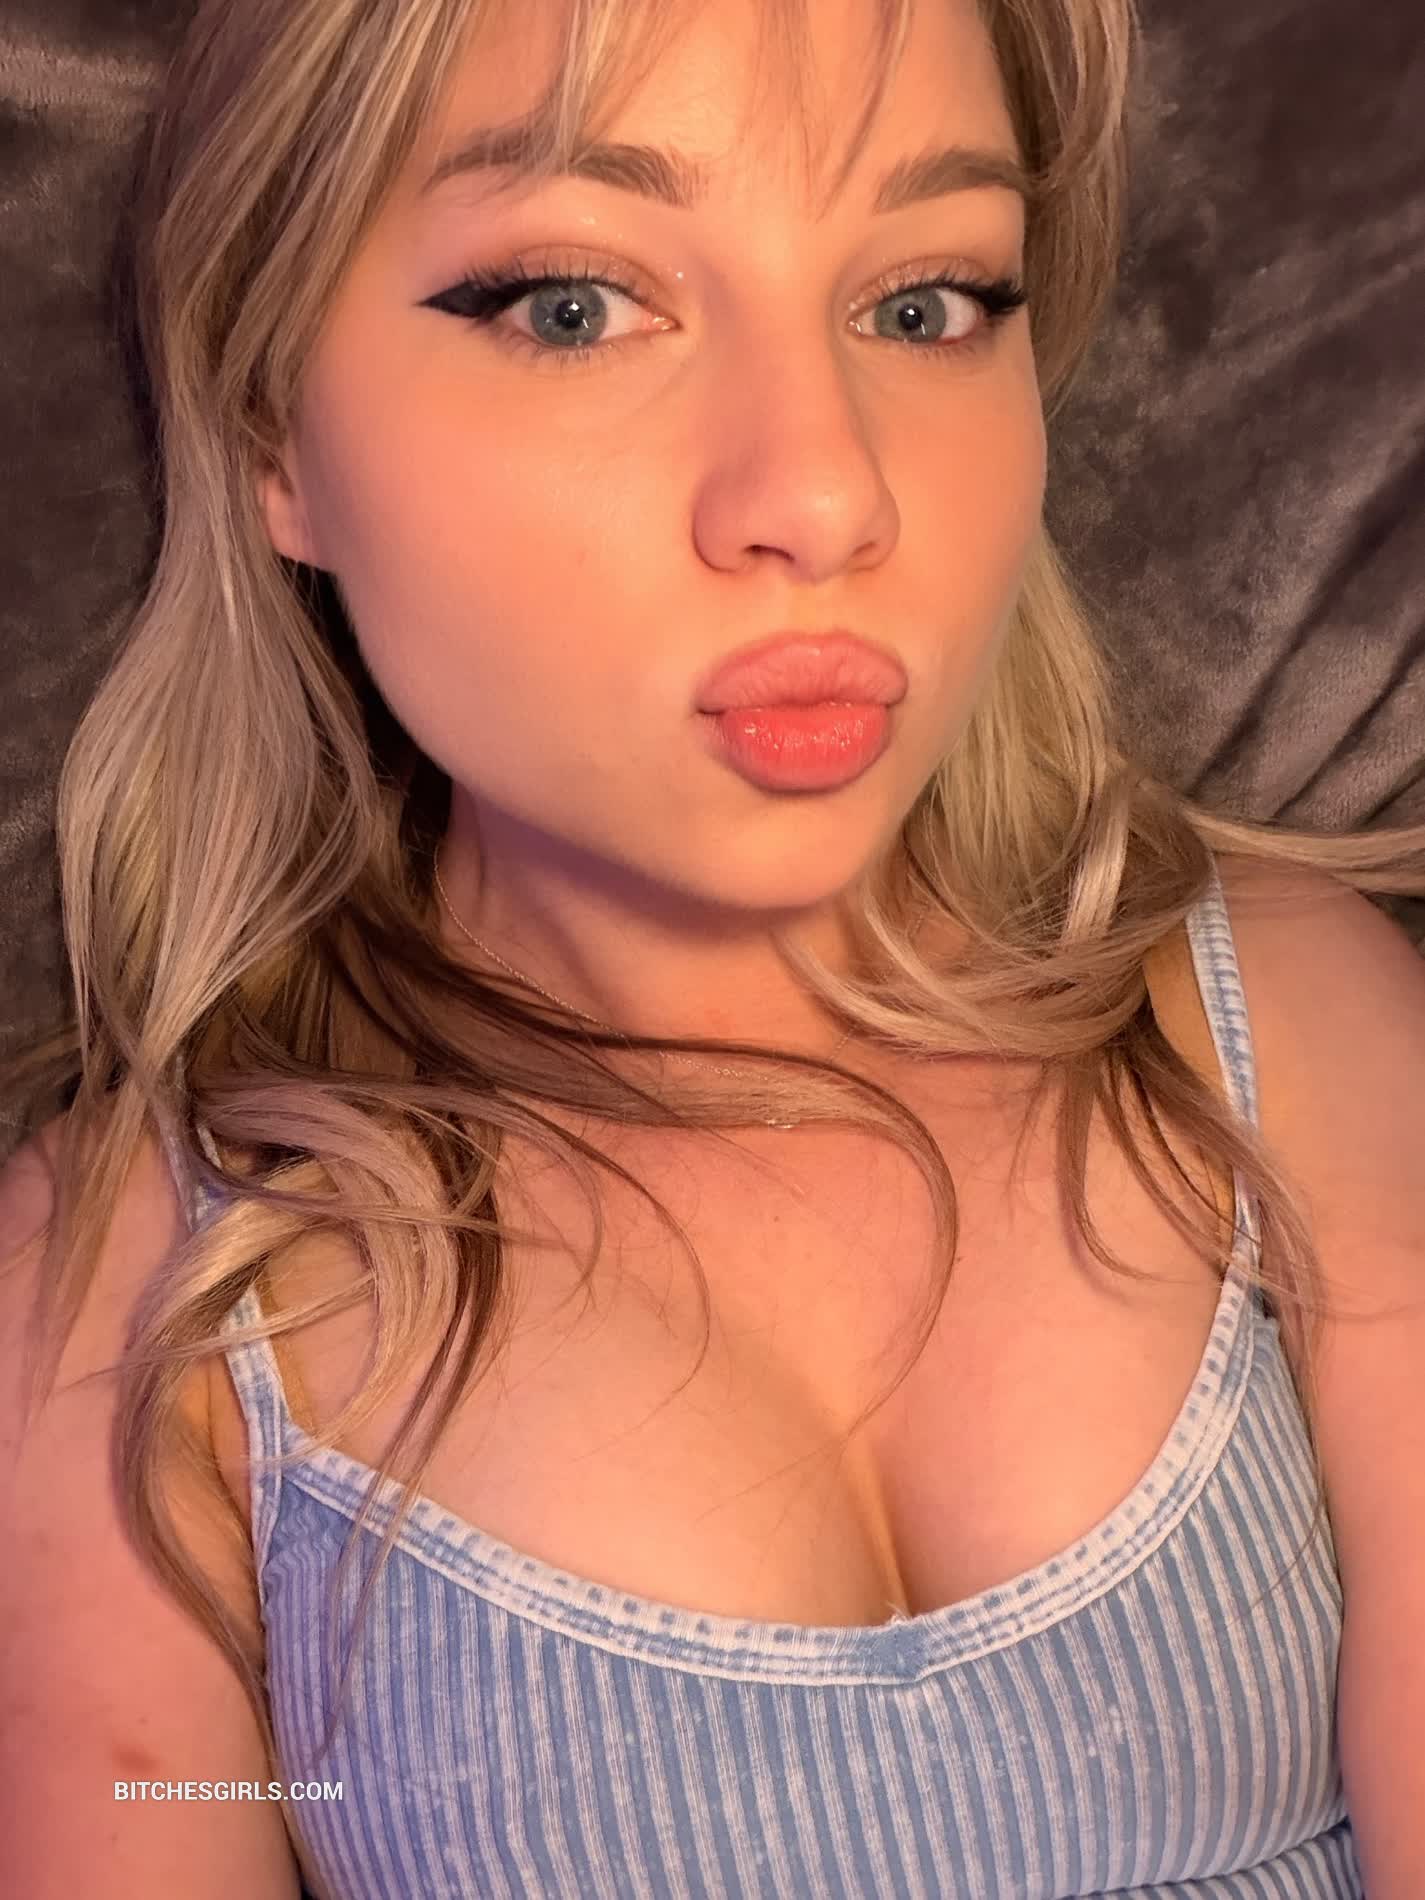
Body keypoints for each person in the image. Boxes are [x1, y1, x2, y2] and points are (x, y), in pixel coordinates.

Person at [2, 0, 1424, 1893]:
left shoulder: (1283, 1034)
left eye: (923, 302)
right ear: (275, 429)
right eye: (573, 305)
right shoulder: (124, 1303)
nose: (827, 495)